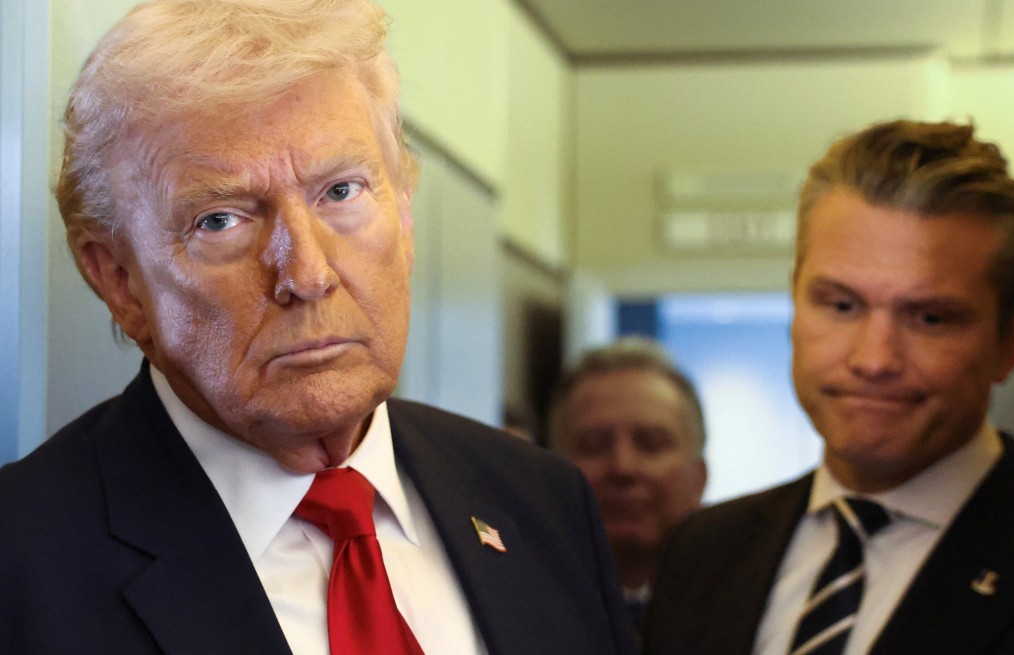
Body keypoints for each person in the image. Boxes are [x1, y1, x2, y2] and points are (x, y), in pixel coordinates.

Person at [0, 2, 638, 654]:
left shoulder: (543, 500)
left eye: (341, 191)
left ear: (405, 216)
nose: (307, 274)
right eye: (220, 220)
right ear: (118, 279)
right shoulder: (20, 564)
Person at [643, 119, 1014, 655]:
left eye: (930, 318)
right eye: (842, 306)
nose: (874, 360)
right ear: (795, 303)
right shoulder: (704, 551)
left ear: (1010, 343)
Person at [550, 337, 707, 628]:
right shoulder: (510, 603)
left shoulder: (752, 605)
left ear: (700, 477)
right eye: (594, 446)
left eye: (651, 444)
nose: (623, 467)